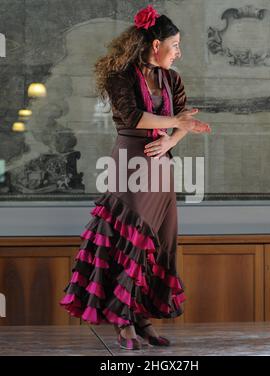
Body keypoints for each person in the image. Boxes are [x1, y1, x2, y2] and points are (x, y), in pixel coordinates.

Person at [59, 4, 211, 350]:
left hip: (161, 167)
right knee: (129, 241)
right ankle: (122, 321)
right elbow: (132, 118)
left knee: (159, 241)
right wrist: (177, 124)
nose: (179, 52)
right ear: (155, 45)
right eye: (174, 45)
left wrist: (173, 138)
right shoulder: (121, 75)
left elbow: (182, 119)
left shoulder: (172, 79)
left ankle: (142, 319)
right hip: (131, 162)